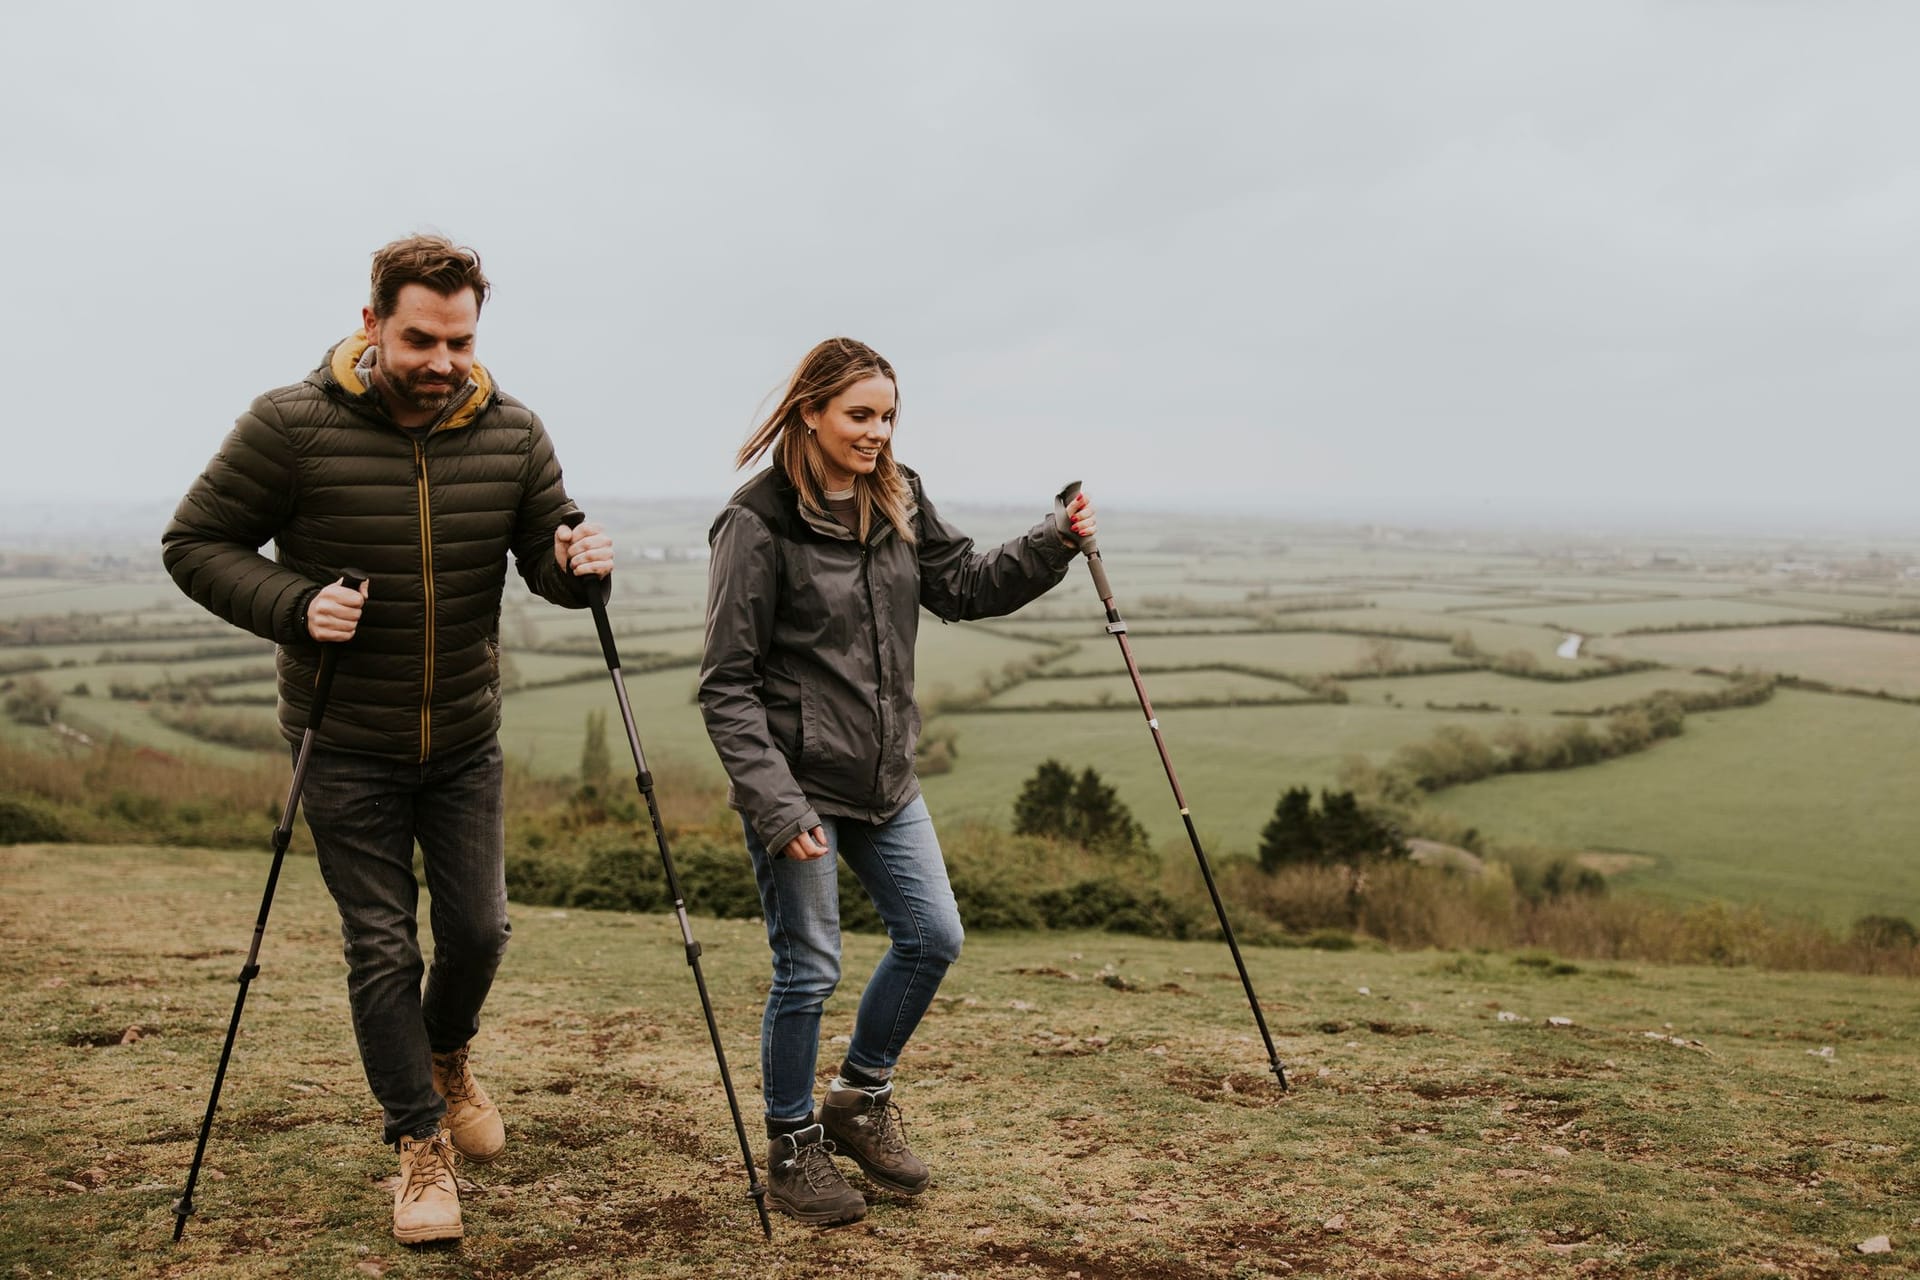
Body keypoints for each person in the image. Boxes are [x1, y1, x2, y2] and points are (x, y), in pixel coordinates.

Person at [161, 234, 613, 1245]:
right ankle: (419, 1147)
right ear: (372, 323)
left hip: (463, 733)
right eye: (420, 338)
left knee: (483, 929)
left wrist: (581, 562)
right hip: (344, 738)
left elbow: (550, 564)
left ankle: (446, 1055)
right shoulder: (289, 424)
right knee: (380, 941)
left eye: (459, 340)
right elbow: (193, 544)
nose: (443, 360)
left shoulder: (514, 431)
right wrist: (293, 601)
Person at [698, 337, 1096, 1225]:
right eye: (860, 415)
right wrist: (775, 802)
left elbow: (960, 584)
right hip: (798, 786)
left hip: (885, 777)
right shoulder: (757, 522)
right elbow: (726, 683)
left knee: (933, 936)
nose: (878, 432)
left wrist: (1052, 541)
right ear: (810, 411)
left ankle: (858, 1098)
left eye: (888, 415)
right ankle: (793, 1146)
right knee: (808, 969)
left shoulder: (898, 494)